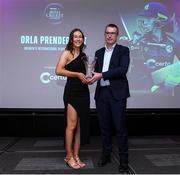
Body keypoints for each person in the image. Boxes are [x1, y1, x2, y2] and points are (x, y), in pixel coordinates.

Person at [89, 24, 130, 173]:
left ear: (117, 35)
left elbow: (122, 69)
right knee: (104, 128)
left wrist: (102, 75)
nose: (110, 35)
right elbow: (97, 73)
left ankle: (124, 161)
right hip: (102, 94)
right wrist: (92, 71)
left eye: (113, 33)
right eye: (107, 33)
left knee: (120, 129)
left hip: (117, 95)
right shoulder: (98, 52)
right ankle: (106, 155)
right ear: (104, 34)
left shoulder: (123, 50)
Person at [120, 2, 180, 94]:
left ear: (160, 20)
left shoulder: (173, 42)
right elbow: (135, 76)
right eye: (144, 18)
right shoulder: (139, 43)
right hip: (147, 95)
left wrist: (177, 79)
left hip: (169, 98)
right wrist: (153, 84)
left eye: (148, 18)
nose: (144, 22)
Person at [55, 28, 90, 169]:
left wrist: (89, 78)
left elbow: (85, 74)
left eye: (80, 36)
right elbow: (58, 70)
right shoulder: (67, 53)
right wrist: (77, 74)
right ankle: (68, 156)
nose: (78, 39)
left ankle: (76, 155)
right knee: (72, 125)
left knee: (80, 127)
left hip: (84, 92)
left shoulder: (84, 56)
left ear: (83, 39)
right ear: (71, 39)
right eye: (75, 36)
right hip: (72, 92)